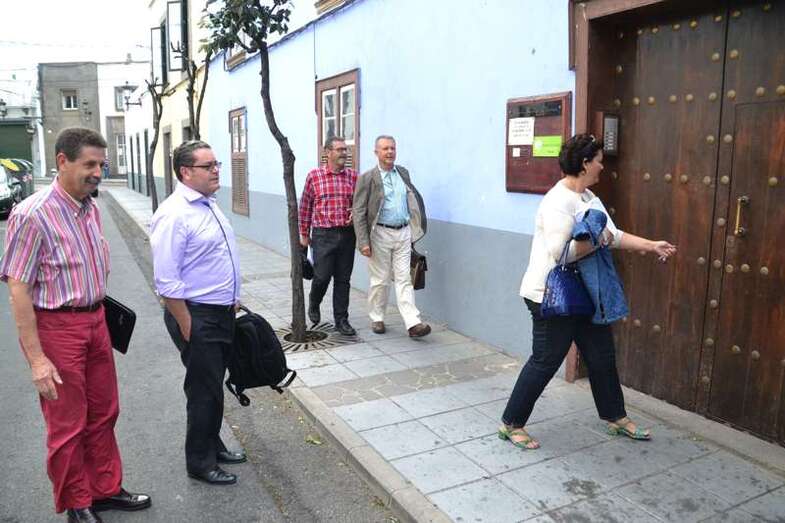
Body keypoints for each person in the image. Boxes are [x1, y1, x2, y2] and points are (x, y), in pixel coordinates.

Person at [0, 128, 151, 523]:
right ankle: (77, 503)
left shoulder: (89, 208)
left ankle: (104, 489)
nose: (98, 172)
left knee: (104, 412)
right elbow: (18, 289)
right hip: (58, 328)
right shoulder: (32, 214)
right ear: (62, 161)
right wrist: (37, 360)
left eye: (102, 164)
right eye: (90, 164)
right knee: (67, 422)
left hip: (96, 321)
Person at [499, 134, 677, 449]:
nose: (601, 166)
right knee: (545, 360)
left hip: (584, 295)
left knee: (601, 356)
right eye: (598, 161)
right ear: (584, 164)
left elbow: (613, 234)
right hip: (551, 296)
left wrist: (651, 245)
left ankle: (615, 417)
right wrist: (598, 239)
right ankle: (511, 423)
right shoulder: (558, 201)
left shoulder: (588, 197)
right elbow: (561, 253)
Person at [150, 140, 246, 486]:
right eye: (208, 166)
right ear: (185, 172)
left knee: (213, 385)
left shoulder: (208, 204)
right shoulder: (174, 214)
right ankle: (200, 462)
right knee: (203, 390)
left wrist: (233, 297)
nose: (217, 170)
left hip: (219, 312)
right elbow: (166, 279)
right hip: (196, 315)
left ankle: (213, 445)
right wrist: (187, 323)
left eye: (217, 164)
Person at [353, 135, 431, 337]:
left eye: (392, 148)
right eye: (385, 148)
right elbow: (359, 211)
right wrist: (363, 241)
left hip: (403, 232)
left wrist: (414, 228)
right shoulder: (367, 178)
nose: (390, 152)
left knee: (404, 278)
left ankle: (413, 323)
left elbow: (411, 199)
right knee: (380, 279)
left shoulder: (402, 173)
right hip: (380, 233)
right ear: (376, 152)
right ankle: (377, 317)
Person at [299, 136, 358, 336]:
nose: (344, 153)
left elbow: (360, 205)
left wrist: (355, 214)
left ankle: (341, 320)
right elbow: (305, 206)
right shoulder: (314, 176)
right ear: (327, 152)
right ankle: (314, 302)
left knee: (343, 279)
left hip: (347, 234)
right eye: (340, 149)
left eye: (345, 149)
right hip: (323, 235)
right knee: (322, 276)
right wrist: (304, 234)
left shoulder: (353, 177)